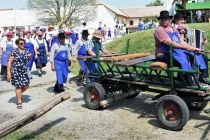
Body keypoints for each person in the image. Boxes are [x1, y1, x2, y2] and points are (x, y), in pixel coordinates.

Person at [154, 10, 202, 85]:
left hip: (174, 52)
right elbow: (170, 43)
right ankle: (189, 83)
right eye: (162, 19)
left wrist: (193, 48)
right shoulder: (159, 29)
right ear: (160, 19)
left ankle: (195, 79)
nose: (164, 20)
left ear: (169, 19)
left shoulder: (172, 28)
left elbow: (181, 41)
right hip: (163, 55)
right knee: (184, 59)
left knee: (193, 55)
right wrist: (186, 48)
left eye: (166, 18)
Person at [174, 12, 209, 84]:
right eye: (181, 19)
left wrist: (203, 40)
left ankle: (202, 77)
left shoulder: (186, 29)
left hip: (189, 49)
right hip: (179, 50)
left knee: (204, 57)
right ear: (176, 20)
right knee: (192, 57)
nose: (183, 21)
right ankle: (192, 79)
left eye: (183, 19)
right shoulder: (173, 29)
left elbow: (194, 37)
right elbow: (177, 41)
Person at [7, 38, 31, 109]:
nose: (23, 44)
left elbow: (27, 59)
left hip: (24, 71)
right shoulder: (14, 52)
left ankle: (18, 94)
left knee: (26, 85)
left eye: (24, 43)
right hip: (16, 71)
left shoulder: (26, 51)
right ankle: (19, 101)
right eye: (21, 43)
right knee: (18, 86)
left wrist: (30, 57)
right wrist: (8, 73)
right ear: (17, 44)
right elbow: (9, 62)